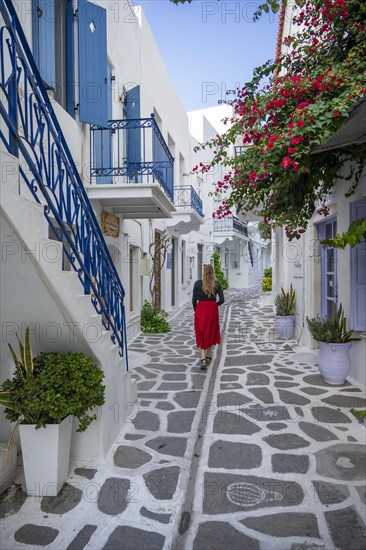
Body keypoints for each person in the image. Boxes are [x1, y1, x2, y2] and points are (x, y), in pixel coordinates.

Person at [192, 264, 225, 369]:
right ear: (213, 273)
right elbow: (222, 300)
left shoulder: (197, 284)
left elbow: (193, 300)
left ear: (203, 272)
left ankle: (202, 358)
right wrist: (215, 305)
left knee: (201, 331)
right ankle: (209, 355)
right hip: (212, 309)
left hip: (201, 308)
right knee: (210, 330)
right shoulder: (217, 284)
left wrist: (196, 309)